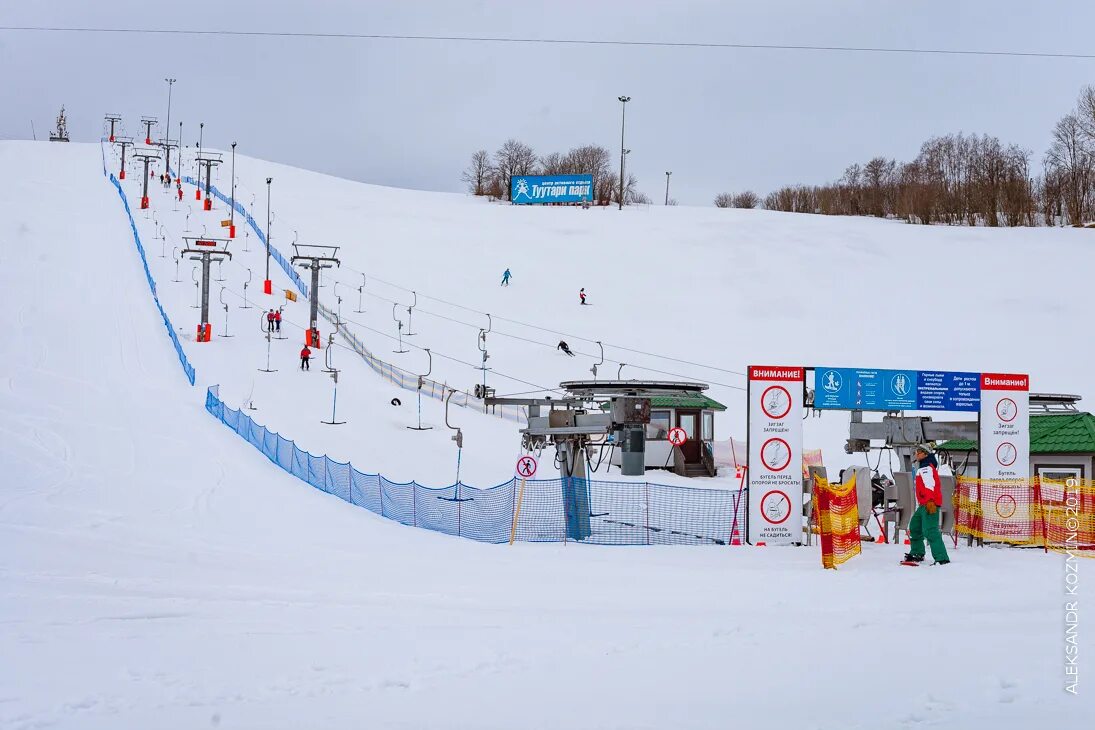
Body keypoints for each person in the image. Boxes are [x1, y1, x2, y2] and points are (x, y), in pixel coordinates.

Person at [904, 444, 951, 565]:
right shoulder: (923, 467)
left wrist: (930, 501)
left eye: (919, 452)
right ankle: (917, 552)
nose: (916, 454)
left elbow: (930, 485)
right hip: (923, 504)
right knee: (915, 527)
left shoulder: (926, 468)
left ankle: (942, 558)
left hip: (930, 503)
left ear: (925, 454)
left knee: (930, 530)